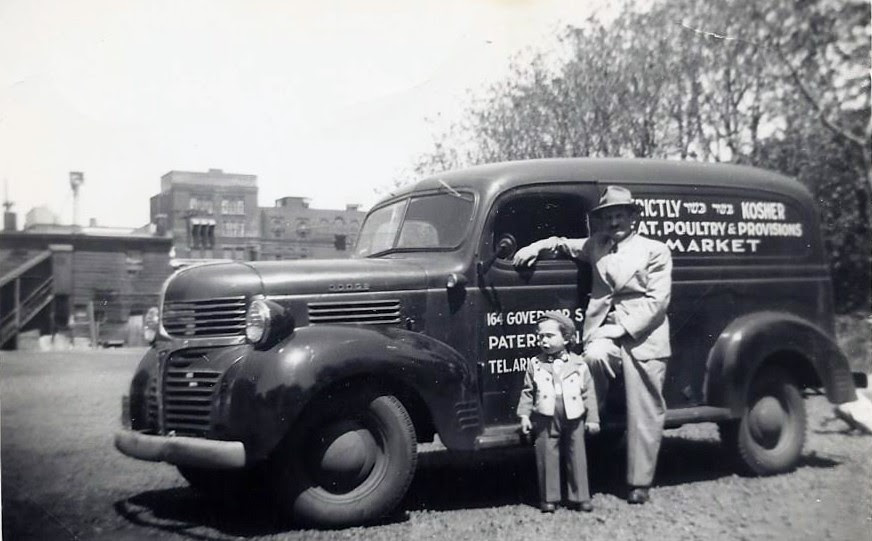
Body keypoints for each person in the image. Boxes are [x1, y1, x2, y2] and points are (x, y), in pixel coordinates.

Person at [513, 185, 672, 505]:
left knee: (646, 408)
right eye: (608, 217)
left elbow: (657, 302)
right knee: (591, 361)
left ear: (633, 218)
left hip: (643, 335)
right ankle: (591, 441)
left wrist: (620, 329)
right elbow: (562, 245)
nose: (614, 222)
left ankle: (639, 482)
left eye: (620, 215)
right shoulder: (596, 245)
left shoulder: (655, 251)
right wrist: (536, 246)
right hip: (602, 334)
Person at [517, 311, 600, 513]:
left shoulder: (579, 364)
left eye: (549, 336)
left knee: (577, 453)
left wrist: (592, 419)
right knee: (546, 452)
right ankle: (549, 498)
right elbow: (528, 392)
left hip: (574, 413)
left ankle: (580, 496)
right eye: (540, 336)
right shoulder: (535, 364)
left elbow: (589, 393)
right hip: (545, 414)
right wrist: (525, 415)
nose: (543, 341)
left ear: (566, 338)